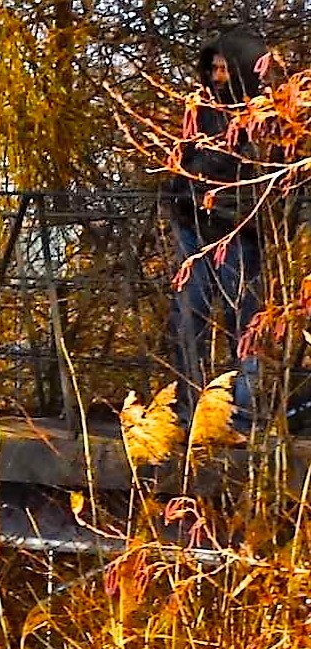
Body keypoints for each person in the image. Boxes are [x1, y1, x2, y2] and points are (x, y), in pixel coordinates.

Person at [165, 32, 279, 437]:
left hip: (239, 235)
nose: (216, 77)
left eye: (224, 69)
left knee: (244, 329)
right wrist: (180, 202)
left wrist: (218, 189)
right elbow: (182, 164)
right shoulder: (201, 112)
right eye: (211, 68)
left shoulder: (264, 119)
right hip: (195, 231)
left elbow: (261, 179)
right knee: (185, 322)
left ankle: (240, 418)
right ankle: (186, 413)